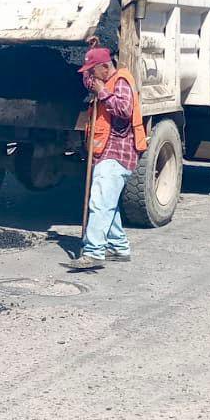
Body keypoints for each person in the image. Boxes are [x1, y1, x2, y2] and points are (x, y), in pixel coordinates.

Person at [65, 44, 148, 271]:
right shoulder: (105, 80)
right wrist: (94, 83)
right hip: (106, 150)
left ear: (104, 67)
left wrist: (101, 90)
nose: (89, 76)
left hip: (118, 152)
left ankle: (93, 252)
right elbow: (92, 86)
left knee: (100, 202)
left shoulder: (121, 81)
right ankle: (118, 247)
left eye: (92, 71)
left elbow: (124, 110)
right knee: (107, 202)